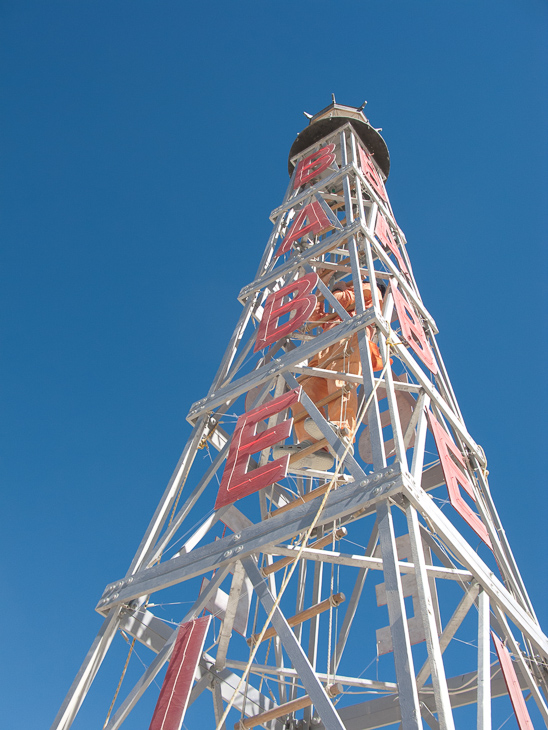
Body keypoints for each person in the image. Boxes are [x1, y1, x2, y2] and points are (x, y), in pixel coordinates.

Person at [274, 271, 384, 469]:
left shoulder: (372, 290)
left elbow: (341, 299)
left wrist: (337, 288)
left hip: (351, 339)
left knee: (340, 382)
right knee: (303, 390)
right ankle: (311, 445)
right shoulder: (340, 309)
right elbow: (314, 318)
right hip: (324, 350)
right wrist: (322, 286)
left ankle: (342, 431)